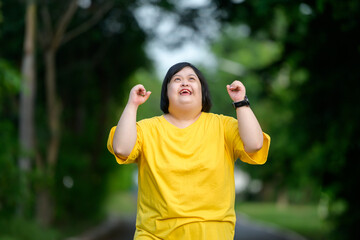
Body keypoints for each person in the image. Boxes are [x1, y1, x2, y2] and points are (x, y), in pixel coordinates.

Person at [107, 62, 270, 240]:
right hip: (154, 234)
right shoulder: (146, 129)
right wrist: (132, 105)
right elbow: (122, 148)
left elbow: (254, 144)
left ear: (203, 93)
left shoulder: (224, 127)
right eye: (177, 79)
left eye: (192, 79)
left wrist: (241, 102)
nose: (185, 83)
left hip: (212, 234)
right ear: (166, 93)